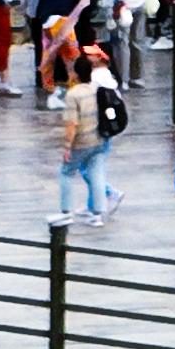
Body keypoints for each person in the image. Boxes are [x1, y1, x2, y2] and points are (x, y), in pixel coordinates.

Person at [54, 45, 124, 225]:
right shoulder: (98, 86)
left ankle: (66, 211)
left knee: (67, 172)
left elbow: (72, 123)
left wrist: (67, 146)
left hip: (83, 140)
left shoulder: (77, 93)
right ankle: (96, 214)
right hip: (98, 136)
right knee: (96, 173)